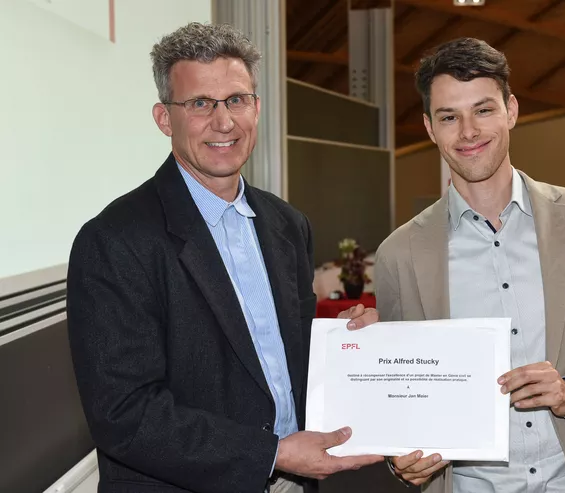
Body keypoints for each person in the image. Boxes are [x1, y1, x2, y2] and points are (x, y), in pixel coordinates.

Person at [66, 22, 381, 493]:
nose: (224, 121)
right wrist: (270, 454)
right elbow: (125, 414)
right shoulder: (114, 241)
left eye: (236, 100)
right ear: (163, 119)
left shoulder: (288, 225)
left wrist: (355, 345)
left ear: (256, 107)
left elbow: (284, 360)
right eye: (199, 104)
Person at [372, 38, 565, 493]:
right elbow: (402, 398)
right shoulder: (399, 255)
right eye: (449, 117)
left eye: (483, 110)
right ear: (429, 128)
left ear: (511, 111)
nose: (468, 131)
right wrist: (399, 458)